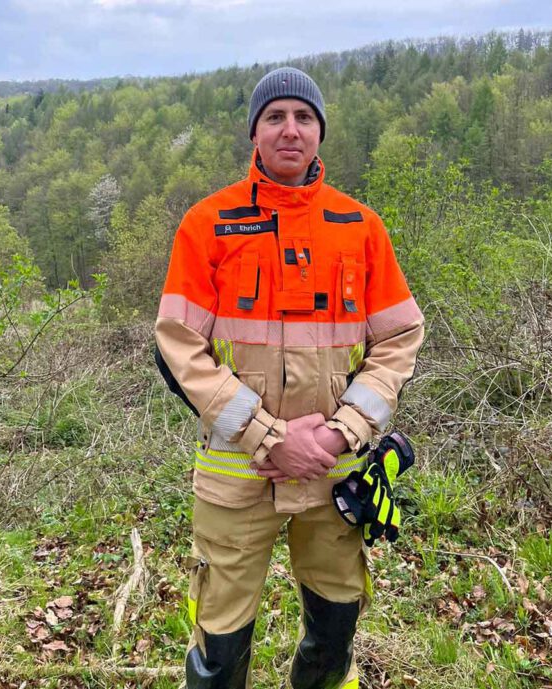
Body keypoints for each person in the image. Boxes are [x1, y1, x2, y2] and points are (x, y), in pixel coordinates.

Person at [154, 66, 424, 689]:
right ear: (255, 131)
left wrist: (338, 435)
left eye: (304, 117)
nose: (290, 129)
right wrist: (270, 436)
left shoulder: (360, 227)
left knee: (334, 636)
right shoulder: (208, 224)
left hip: (336, 474)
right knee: (219, 648)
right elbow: (177, 344)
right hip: (235, 473)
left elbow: (400, 338)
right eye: (275, 116)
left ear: (320, 132)